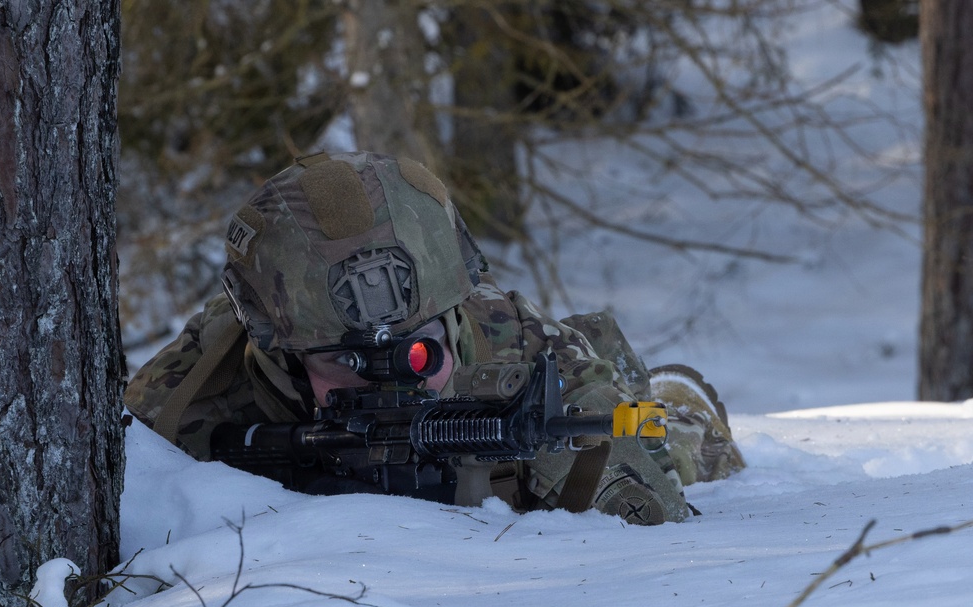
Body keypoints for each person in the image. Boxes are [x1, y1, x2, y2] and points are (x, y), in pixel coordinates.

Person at [124, 150, 745, 526]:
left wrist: (569, 468)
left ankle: (678, 394)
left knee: (677, 443)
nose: (393, 378)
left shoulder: (521, 350)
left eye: (420, 348)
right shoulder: (186, 397)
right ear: (279, 354)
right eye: (346, 362)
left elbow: (659, 526)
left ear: (450, 315)